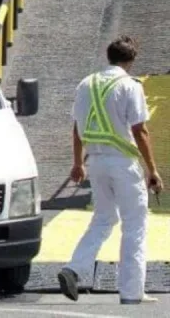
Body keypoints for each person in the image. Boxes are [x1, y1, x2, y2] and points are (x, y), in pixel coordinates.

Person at [57, 35, 163, 305]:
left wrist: (78, 163)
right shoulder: (129, 86)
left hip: (97, 163)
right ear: (131, 60)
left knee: (103, 219)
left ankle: (75, 268)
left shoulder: (86, 84)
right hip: (123, 163)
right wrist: (152, 170)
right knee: (135, 225)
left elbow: (77, 127)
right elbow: (140, 130)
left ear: (109, 56)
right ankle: (131, 291)